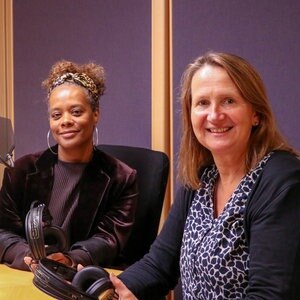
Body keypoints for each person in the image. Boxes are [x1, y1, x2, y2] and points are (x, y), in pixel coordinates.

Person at [110, 52, 300, 299]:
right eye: (202, 103)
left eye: (229, 101)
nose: (214, 115)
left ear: (256, 114)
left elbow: (270, 295)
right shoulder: (202, 177)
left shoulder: (282, 181)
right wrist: (110, 288)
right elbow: (158, 265)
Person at [0, 60, 138, 271]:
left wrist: (71, 260)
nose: (65, 121)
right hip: (26, 276)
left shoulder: (122, 178)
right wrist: (28, 256)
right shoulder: (20, 171)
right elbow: (2, 231)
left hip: (82, 281)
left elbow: (109, 238)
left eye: (75, 112)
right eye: (56, 115)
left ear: (95, 114)